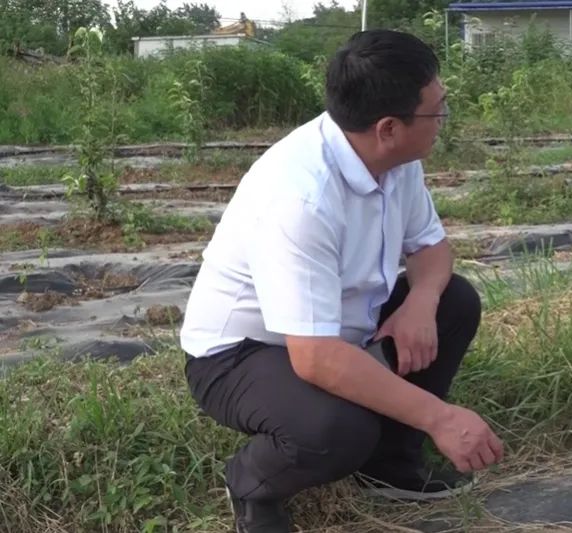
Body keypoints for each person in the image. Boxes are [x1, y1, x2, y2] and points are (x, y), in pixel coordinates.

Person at [179, 30, 504, 533]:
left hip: (338, 329)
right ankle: (251, 484)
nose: (444, 120)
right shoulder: (300, 198)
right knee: (337, 430)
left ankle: (389, 467)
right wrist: (440, 418)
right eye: (437, 110)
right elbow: (314, 357)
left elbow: (431, 248)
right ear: (388, 127)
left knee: (452, 302)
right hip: (243, 354)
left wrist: (420, 301)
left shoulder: (392, 159)